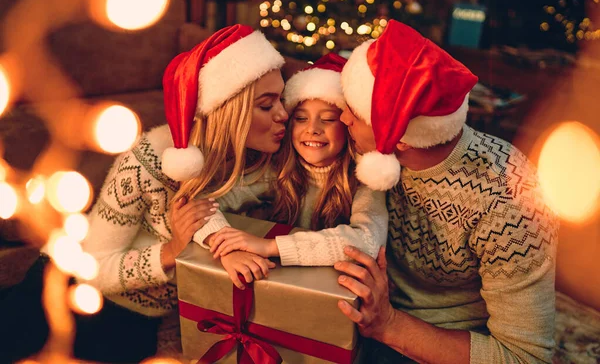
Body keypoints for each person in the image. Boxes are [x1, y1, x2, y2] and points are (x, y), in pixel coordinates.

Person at [0, 24, 288, 363]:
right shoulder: (150, 158)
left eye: (282, 99)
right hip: (72, 294)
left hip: (144, 323)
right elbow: (95, 268)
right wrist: (171, 251)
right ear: (228, 112)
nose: (284, 114)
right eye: (267, 106)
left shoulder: (263, 165)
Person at [333, 20, 559, 364]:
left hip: (442, 342)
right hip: (364, 309)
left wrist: (389, 325)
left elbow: (525, 357)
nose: (342, 116)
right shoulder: (366, 149)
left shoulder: (510, 198)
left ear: (402, 139)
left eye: (355, 111)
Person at [193, 53, 388, 288]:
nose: (312, 129)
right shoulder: (277, 172)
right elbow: (202, 203)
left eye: (327, 119)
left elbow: (368, 241)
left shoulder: (364, 179)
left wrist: (268, 246)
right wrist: (226, 246)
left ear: (347, 126)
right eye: (301, 118)